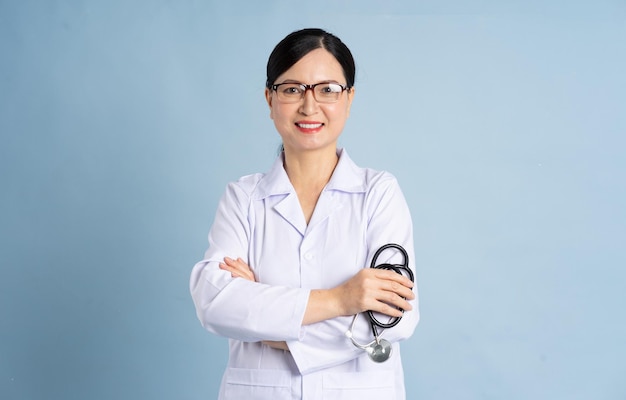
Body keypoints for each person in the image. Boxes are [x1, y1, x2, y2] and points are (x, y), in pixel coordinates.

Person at [190, 28, 419, 400]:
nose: (309, 106)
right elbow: (215, 304)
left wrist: (266, 325)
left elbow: (396, 319)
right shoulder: (243, 198)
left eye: (327, 89)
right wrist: (342, 300)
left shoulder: (379, 193)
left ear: (349, 99)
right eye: (292, 89)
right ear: (269, 98)